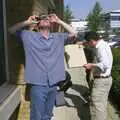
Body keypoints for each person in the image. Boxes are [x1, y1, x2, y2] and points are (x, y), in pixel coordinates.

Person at [9, 14, 76, 120]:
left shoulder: (59, 37)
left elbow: (74, 33)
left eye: (47, 19)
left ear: (51, 24)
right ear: (37, 24)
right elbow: (11, 30)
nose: (45, 20)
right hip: (37, 85)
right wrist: (27, 22)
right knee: (36, 116)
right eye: (42, 19)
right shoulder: (28, 36)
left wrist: (59, 21)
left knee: (47, 116)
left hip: (54, 83)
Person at [83, 31, 113, 120]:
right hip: (105, 80)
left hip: (101, 81)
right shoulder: (103, 44)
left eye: (89, 43)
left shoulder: (100, 48)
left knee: (97, 106)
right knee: (101, 106)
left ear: (92, 41)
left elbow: (105, 65)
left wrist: (91, 65)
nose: (89, 45)